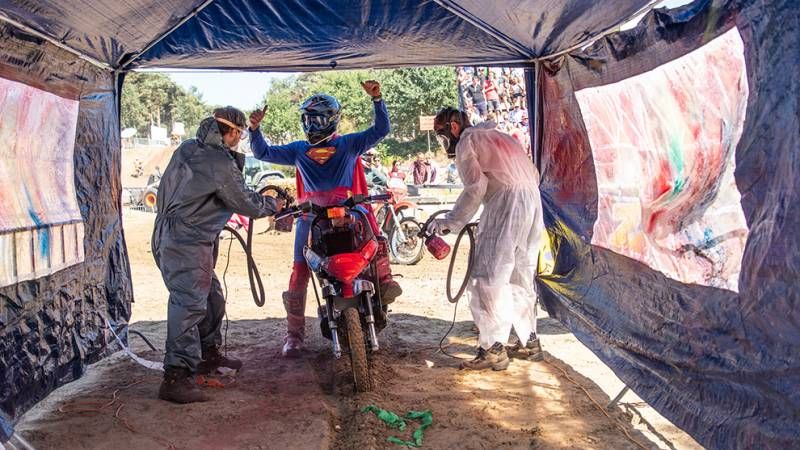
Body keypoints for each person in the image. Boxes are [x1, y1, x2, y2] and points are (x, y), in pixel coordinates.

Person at [248, 80, 402, 357]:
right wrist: (254, 130)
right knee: (299, 272)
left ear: (331, 120)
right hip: (313, 216)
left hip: (342, 213)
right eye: (308, 118)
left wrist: (378, 100)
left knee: (375, 240)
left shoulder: (346, 143)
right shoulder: (303, 149)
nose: (312, 123)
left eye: (317, 118)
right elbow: (261, 152)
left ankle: (385, 280)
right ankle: (293, 335)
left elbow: (381, 130)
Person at [152, 107, 281, 403]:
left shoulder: (188, 148)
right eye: (241, 134)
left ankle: (207, 356)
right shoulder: (218, 160)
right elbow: (245, 201)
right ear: (233, 132)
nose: (240, 139)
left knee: (211, 296)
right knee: (188, 305)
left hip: (176, 235)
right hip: (187, 240)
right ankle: (175, 377)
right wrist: (273, 204)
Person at [428, 106, 545, 371]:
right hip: (532, 200)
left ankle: (492, 347)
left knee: (487, 277)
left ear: (454, 127)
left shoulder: (467, 142)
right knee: (521, 274)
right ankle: (530, 340)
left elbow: (476, 187)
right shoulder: (502, 136)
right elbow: (532, 174)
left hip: (507, 200)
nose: (443, 141)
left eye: (442, 134)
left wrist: (451, 222)